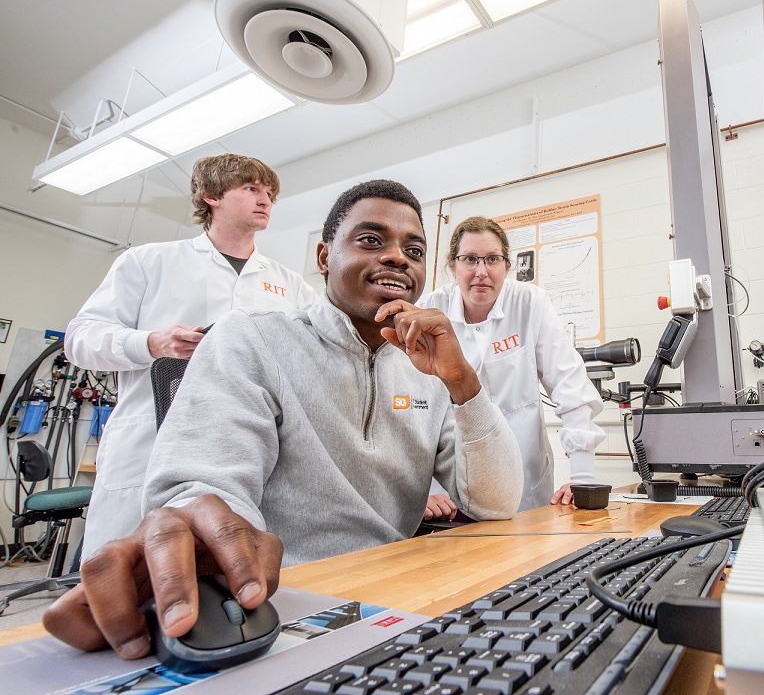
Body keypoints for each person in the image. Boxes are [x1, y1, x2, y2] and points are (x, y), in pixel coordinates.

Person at [43, 180, 522, 661]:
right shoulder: (252, 339)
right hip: (281, 602)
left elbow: (497, 503)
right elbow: (208, 489)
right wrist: (200, 529)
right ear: (324, 256)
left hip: (393, 594)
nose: (398, 257)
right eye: (372, 240)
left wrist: (462, 381)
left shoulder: (427, 370)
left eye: (413, 250)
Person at [64, 154, 316, 557]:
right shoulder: (149, 261)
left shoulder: (290, 285)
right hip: (151, 442)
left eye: (269, 193)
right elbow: (79, 339)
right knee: (125, 577)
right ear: (212, 195)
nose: (265, 199)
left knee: (225, 580)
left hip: (250, 450)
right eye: (251, 188)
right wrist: (151, 343)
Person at [419, 216, 604, 513]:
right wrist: (423, 490)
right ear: (452, 266)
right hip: (448, 492)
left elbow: (572, 388)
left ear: (507, 265)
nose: (481, 272)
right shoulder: (429, 310)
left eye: (492, 259)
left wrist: (582, 478)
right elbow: (413, 410)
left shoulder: (530, 305)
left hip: (523, 483)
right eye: (469, 259)